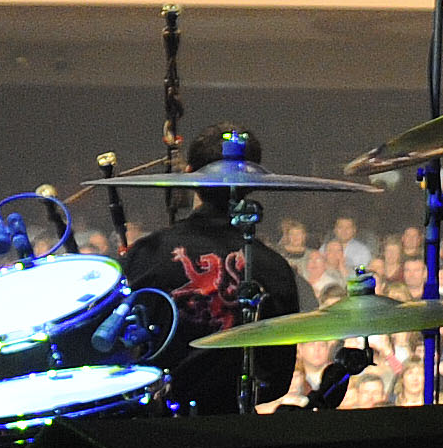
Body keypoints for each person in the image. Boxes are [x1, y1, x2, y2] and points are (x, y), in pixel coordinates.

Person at [117, 127, 313, 412]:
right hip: (235, 433)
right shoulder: (275, 268)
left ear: (189, 174)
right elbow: (277, 378)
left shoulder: (147, 253)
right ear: (253, 181)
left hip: (154, 431)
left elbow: (117, 351)